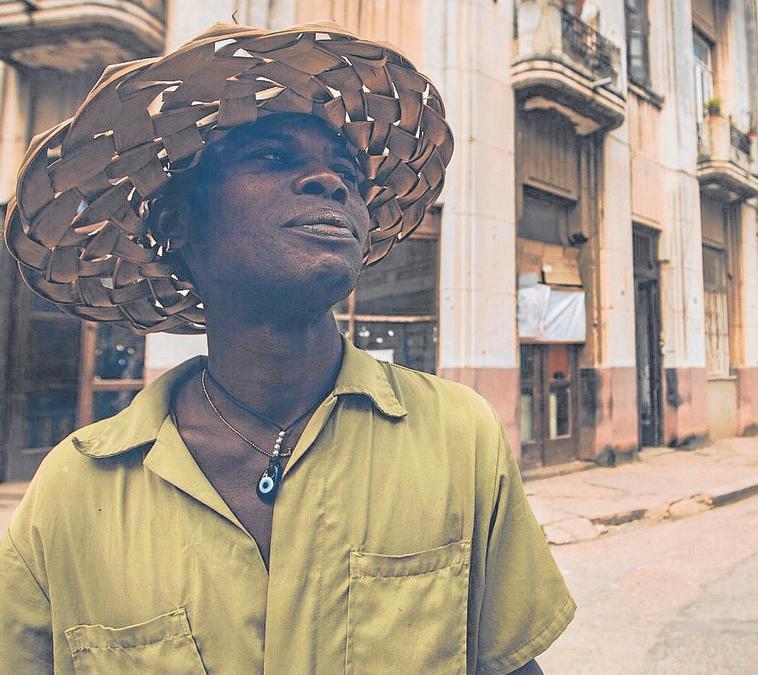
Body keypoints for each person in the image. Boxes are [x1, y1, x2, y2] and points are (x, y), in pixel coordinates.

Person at [0, 22, 573, 673]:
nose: (329, 183)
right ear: (176, 225)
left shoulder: (458, 435)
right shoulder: (72, 494)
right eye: (272, 158)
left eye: (349, 175)